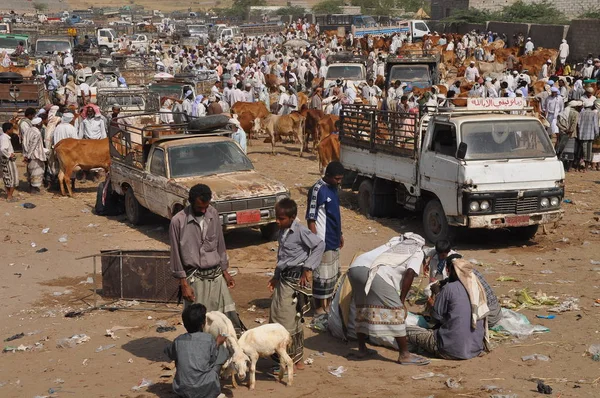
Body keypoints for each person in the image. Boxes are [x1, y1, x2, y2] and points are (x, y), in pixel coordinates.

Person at [169, 184, 243, 334]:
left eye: (206, 206)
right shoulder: (178, 222)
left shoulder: (213, 214)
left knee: (226, 318)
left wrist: (225, 272)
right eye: (200, 207)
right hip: (195, 280)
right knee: (200, 322)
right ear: (190, 202)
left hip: (216, 277)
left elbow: (220, 244)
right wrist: (184, 285)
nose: (203, 211)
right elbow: (176, 255)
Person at [347, 233, 430, 365]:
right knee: (397, 311)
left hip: (355, 268)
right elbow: (410, 273)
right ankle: (404, 354)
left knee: (361, 308)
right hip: (375, 273)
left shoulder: (394, 243)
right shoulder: (417, 250)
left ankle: (362, 349)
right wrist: (402, 301)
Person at [268, 198, 325, 368]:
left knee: (285, 320)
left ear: (292, 217)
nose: (277, 221)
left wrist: (308, 268)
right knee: (289, 319)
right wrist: (276, 276)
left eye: (281, 218)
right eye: (277, 218)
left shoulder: (300, 231)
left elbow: (319, 245)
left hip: (295, 281)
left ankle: (290, 360)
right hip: (284, 280)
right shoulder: (282, 232)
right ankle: (295, 359)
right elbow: (282, 258)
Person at [407, 254, 488, 360]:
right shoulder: (477, 288)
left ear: (452, 271)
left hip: (449, 349)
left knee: (406, 331)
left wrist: (433, 301)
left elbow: (435, 318)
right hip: (475, 348)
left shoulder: (449, 288)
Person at [165, 303, 228, 398]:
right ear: (203, 324)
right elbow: (212, 359)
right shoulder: (208, 339)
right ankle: (213, 382)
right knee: (222, 351)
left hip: (181, 390)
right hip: (207, 390)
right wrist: (218, 343)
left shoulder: (178, 340)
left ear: (185, 325)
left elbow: (170, 353)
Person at [306, 161, 344, 315]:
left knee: (332, 275)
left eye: (341, 179)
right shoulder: (317, 190)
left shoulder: (334, 188)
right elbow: (311, 218)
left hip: (334, 238)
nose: (339, 182)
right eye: (337, 179)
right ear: (328, 176)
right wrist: (315, 241)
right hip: (322, 241)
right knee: (321, 276)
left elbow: (335, 214)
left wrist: (340, 234)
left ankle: (327, 305)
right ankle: (318, 307)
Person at [21, 117, 47, 194]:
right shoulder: (37, 133)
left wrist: (26, 155)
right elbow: (33, 145)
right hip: (35, 155)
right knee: (36, 171)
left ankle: (31, 187)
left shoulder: (28, 130)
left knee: (30, 171)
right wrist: (28, 156)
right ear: (38, 124)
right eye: (41, 123)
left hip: (28, 154)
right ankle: (33, 189)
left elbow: (24, 143)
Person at [577, 103, 599, 171]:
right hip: (590, 135)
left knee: (583, 150)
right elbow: (595, 125)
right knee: (589, 151)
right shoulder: (593, 114)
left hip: (582, 135)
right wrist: (597, 134)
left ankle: (579, 166)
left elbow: (579, 124)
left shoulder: (581, 113)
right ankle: (585, 168)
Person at [1, 122, 18, 202]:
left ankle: (9, 195)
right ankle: (10, 196)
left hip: (4, 160)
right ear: (8, 130)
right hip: (9, 161)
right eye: (11, 129)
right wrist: (9, 155)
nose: (12, 131)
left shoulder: (3, 137)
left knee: (7, 178)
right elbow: (2, 149)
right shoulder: (5, 138)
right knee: (13, 179)